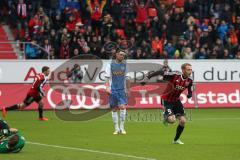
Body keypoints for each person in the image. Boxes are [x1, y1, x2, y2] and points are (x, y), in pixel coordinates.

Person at [142, 63, 193, 144]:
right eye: (188, 69)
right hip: (166, 100)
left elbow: (190, 89)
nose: (190, 71)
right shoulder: (175, 75)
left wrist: (190, 94)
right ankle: (166, 118)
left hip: (176, 101)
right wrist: (148, 77)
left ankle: (176, 140)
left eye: (191, 69)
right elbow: (160, 72)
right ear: (183, 70)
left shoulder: (189, 80)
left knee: (183, 121)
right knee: (172, 120)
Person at [105, 50, 130, 135]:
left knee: (122, 107)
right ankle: (116, 128)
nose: (122, 56)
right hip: (113, 90)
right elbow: (107, 78)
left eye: (123, 55)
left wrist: (128, 89)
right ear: (116, 55)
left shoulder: (125, 65)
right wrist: (107, 87)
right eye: (121, 54)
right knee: (114, 108)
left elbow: (127, 78)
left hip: (122, 90)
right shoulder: (110, 65)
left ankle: (122, 127)